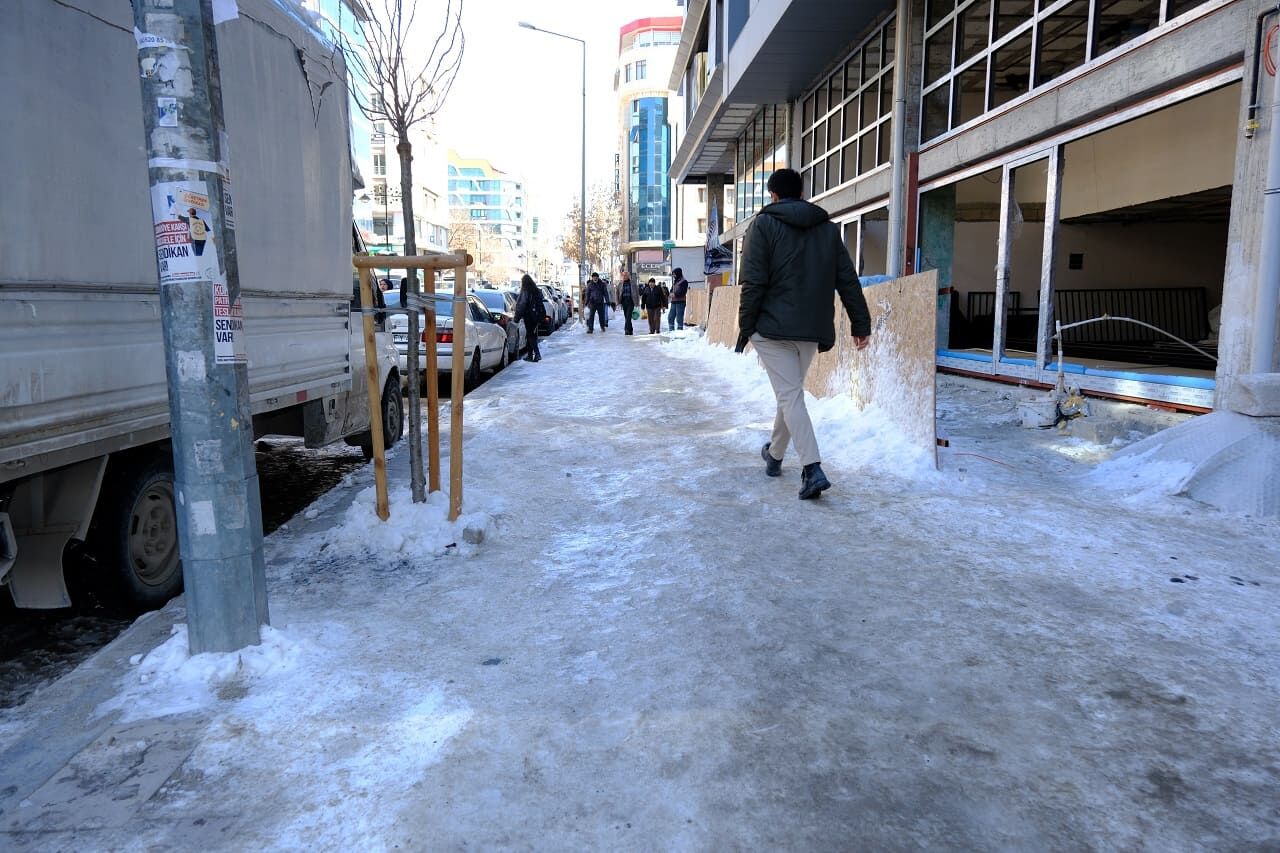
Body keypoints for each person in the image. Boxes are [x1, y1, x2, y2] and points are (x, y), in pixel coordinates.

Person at [736, 167, 871, 501]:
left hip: (770, 329)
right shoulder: (827, 230)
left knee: (790, 395)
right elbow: (848, 280)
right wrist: (860, 323)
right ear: (801, 193)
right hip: (811, 329)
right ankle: (775, 456)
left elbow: (753, 282)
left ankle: (812, 468)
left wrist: (745, 326)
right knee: (790, 393)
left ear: (774, 195)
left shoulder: (763, 225)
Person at [515, 274, 545, 361]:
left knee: (530, 335)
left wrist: (517, 317)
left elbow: (521, 305)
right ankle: (530, 355)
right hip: (537, 316)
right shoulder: (536, 291)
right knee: (531, 335)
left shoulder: (525, 291)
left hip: (529, 316)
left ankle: (537, 354)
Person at [619, 270, 637, 335]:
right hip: (624, 302)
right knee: (626, 317)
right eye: (623, 275)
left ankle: (626, 330)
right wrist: (618, 301)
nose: (625, 276)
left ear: (629, 276)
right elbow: (618, 292)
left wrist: (637, 303)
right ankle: (630, 329)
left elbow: (636, 293)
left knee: (628, 316)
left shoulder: (632, 283)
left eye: (626, 275)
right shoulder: (621, 283)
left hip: (631, 301)